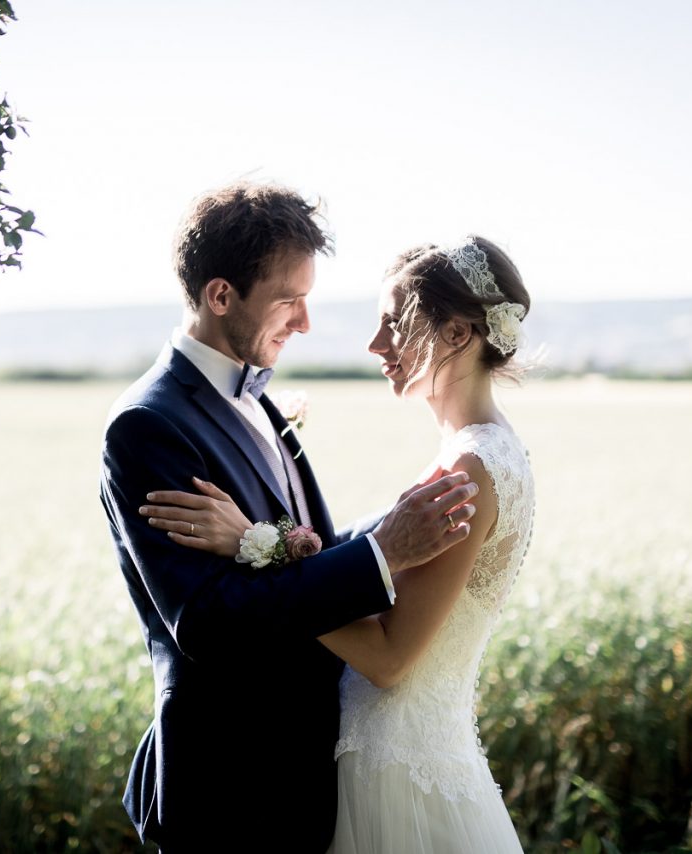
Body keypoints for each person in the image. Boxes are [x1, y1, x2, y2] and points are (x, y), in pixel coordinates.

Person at [98, 182, 481, 853]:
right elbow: (209, 622)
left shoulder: (260, 398)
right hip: (230, 788)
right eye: (289, 300)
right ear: (221, 296)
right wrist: (381, 555)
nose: (304, 322)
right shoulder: (148, 426)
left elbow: (300, 544)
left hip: (305, 776)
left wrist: (388, 527)